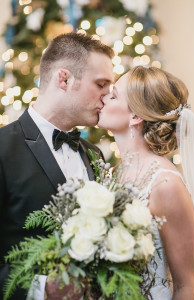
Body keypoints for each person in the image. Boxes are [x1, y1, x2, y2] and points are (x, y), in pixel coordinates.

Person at [0, 32, 114, 300]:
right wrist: (40, 289)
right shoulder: (3, 150)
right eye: (101, 84)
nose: (107, 97)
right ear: (64, 79)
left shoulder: (94, 155)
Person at [98, 66, 194, 300]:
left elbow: (186, 286)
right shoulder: (112, 173)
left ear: (135, 116)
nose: (103, 97)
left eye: (113, 95)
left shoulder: (165, 183)